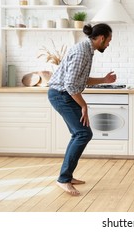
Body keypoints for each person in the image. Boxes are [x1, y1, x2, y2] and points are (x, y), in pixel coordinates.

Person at [48, 23, 116, 196]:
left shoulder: (87, 50)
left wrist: (104, 80)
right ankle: (63, 179)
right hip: (61, 95)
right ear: (101, 38)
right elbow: (70, 85)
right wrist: (83, 105)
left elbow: (81, 80)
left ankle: (67, 176)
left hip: (65, 95)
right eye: (108, 40)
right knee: (83, 134)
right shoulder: (81, 52)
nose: (108, 44)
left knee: (79, 134)